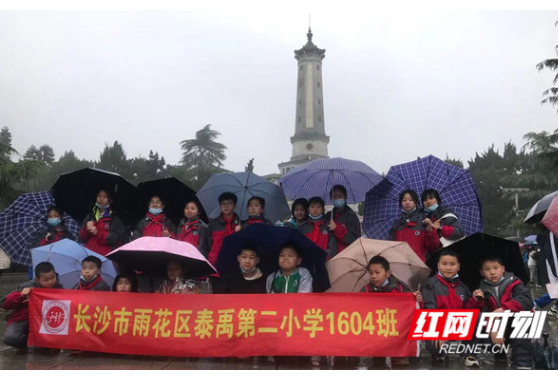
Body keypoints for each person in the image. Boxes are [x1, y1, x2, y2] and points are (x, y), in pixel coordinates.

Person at [419, 250, 484, 367]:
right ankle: (439, 353)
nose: (448, 268)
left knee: (477, 316)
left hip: (456, 324)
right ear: (438, 265)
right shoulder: (430, 285)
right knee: (438, 349)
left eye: (452, 264)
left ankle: (469, 354)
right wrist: (439, 331)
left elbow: (467, 311)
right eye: (444, 264)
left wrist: (475, 300)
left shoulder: (463, 287)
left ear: (458, 266)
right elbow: (429, 309)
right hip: (438, 327)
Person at [360, 256, 422, 366]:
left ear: (388, 273)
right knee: (378, 363)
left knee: (401, 363)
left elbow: (413, 310)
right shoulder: (365, 290)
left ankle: (399, 355)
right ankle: (378, 354)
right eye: (371, 273)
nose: (373, 276)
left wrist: (418, 301)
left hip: (397, 329)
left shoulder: (401, 288)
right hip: (376, 330)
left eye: (377, 272)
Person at [476, 256, 534, 370]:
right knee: (479, 325)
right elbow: (483, 312)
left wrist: (502, 309)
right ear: (481, 272)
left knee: (523, 323)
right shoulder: (480, 290)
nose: (492, 272)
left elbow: (526, 300)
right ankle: (499, 353)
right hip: (498, 325)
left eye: (495, 268)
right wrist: (492, 329)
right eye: (487, 269)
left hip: (516, 320)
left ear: (503, 268)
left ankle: (522, 362)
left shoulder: (515, 282)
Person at [1, 262, 62, 349]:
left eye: (52, 278)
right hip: (23, 319)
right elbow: (4, 303)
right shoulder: (27, 286)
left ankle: (40, 342)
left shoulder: (58, 288)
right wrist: (20, 295)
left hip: (45, 321)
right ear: (37, 280)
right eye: (45, 280)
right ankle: (30, 342)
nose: (50, 282)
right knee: (11, 338)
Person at [388, 190, 441, 263]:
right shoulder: (397, 224)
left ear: (416, 202)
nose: (407, 202)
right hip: (401, 264)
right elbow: (390, 246)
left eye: (411, 200)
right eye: (404, 200)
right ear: (400, 203)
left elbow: (434, 246)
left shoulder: (424, 220)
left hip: (420, 265)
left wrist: (430, 231)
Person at [207, 192, 241, 290]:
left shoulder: (240, 223)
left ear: (234, 206)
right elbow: (209, 243)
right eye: (223, 203)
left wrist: (238, 232)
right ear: (220, 206)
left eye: (229, 203)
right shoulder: (213, 224)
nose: (226, 206)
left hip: (234, 265)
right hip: (216, 266)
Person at [78, 189, 125, 256]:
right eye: (99, 196)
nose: (101, 199)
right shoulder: (90, 216)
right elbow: (81, 238)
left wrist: (97, 233)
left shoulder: (114, 218)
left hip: (106, 256)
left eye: (104, 197)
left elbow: (116, 238)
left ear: (110, 200)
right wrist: (86, 229)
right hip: (89, 255)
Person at [325, 185, 361, 254]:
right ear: (331, 199)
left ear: (345, 198)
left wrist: (337, 228)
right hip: (329, 256)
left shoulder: (351, 216)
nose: (337, 199)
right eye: (334, 197)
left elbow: (354, 241)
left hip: (346, 255)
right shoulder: (328, 216)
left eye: (340, 196)